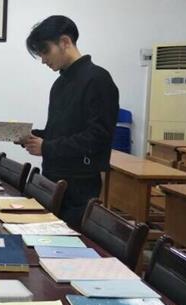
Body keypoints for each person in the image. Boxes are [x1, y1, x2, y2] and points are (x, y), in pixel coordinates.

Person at [21, 15, 119, 229]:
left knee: (69, 241)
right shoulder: (60, 84)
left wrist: (47, 147)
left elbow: (97, 138)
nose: (43, 60)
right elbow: (61, 131)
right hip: (53, 178)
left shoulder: (97, 79)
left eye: (45, 51)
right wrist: (34, 136)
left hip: (79, 184)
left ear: (65, 42)